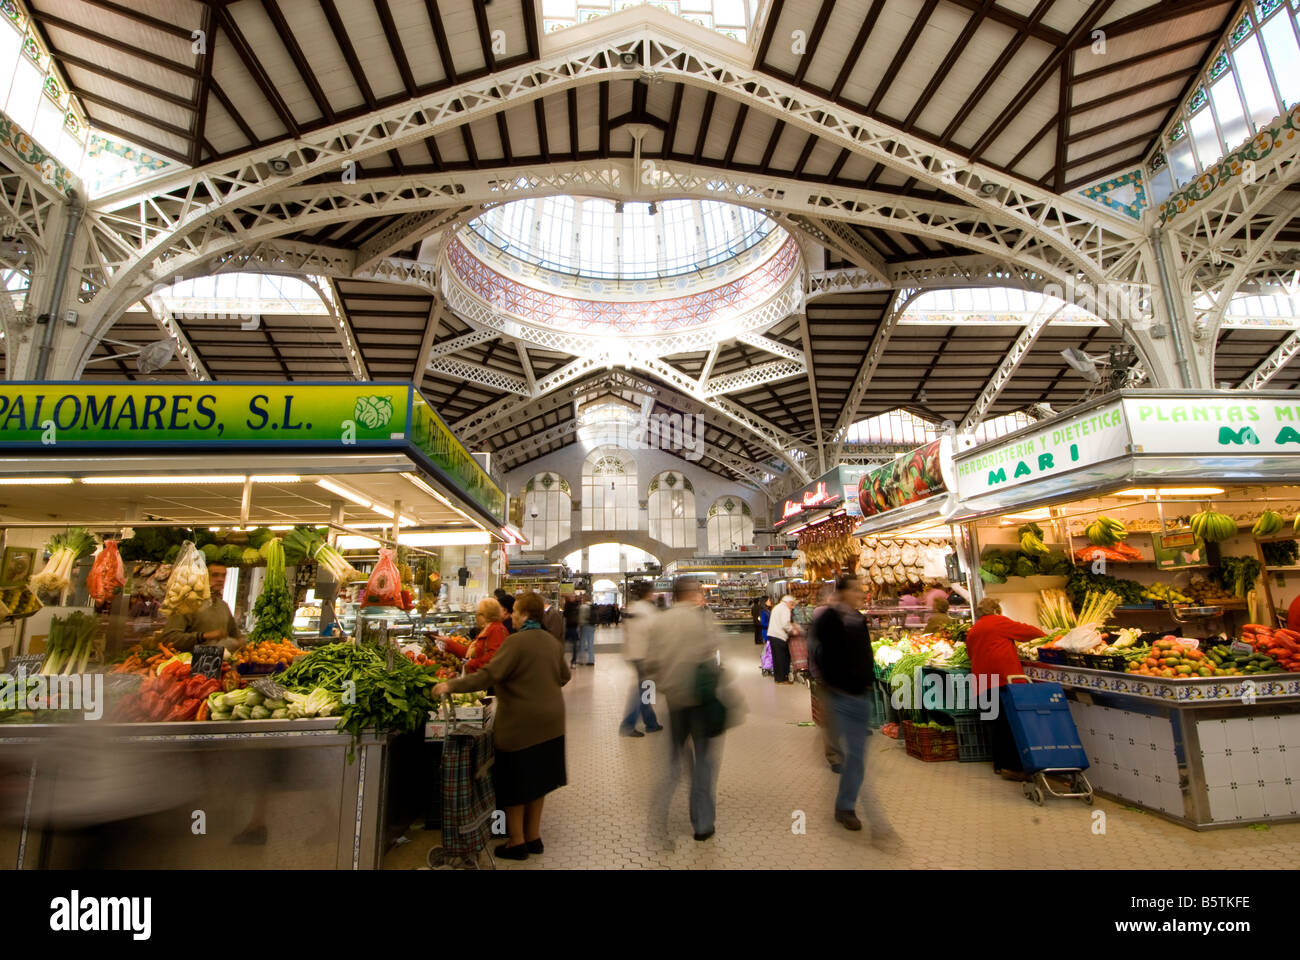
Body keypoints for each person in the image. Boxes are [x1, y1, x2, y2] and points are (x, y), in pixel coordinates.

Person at [433, 592, 569, 861]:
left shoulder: (515, 643)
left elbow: (489, 674)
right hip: (552, 723)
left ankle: (516, 843)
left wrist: (450, 685)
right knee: (538, 782)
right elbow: (564, 676)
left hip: (520, 725)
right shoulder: (551, 642)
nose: (511, 616)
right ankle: (534, 837)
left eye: (515, 612)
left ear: (525, 614)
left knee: (514, 782)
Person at [644, 578, 744, 846]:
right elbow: (716, 656)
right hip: (701, 703)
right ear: (691, 594)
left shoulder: (659, 622)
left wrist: (662, 689)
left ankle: (658, 824)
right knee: (704, 764)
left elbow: (650, 665)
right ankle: (702, 824)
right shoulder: (701, 620)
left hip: (675, 703)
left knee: (673, 764)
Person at [812, 575, 897, 842]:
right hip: (838, 695)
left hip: (861, 695)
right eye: (856, 589)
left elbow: (866, 653)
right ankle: (848, 806)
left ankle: (846, 806)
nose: (861, 593)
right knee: (850, 754)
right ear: (844, 592)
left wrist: (868, 682)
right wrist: (829, 685)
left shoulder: (858, 619)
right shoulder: (827, 620)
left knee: (857, 756)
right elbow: (817, 653)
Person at [965, 597, 1045, 781]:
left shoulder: (973, 630)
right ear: (996, 610)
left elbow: (971, 653)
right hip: (1002, 681)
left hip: (983, 683)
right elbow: (1030, 632)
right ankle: (1014, 768)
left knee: (995, 725)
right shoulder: (999, 622)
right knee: (1009, 725)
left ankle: (1000, 765)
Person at [160, 563, 244, 653]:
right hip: (188, 664)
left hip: (222, 664)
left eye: (223, 576)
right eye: (215, 575)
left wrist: (242, 642)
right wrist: (203, 636)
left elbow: (237, 635)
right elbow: (169, 638)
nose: (220, 579)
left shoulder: (223, 606)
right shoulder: (187, 603)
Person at [619, 582, 663, 737]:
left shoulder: (631, 607)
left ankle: (651, 722)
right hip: (645, 655)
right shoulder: (649, 610)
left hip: (633, 653)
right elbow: (656, 634)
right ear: (649, 593)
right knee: (642, 690)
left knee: (646, 687)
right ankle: (628, 725)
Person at [439, 597, 507, 674]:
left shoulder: (496, 630)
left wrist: (470, 664)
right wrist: (449, 642)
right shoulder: (489, 629)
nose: (476, 617)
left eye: (478, 614)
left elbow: (493, 658)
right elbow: (469, 654)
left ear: (485, 615)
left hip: (487, 681)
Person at [767, 594, 797, 684]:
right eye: (792, 604)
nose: (792, 607)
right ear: (788, 603)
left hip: (773, 635)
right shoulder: (785, 609)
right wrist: (793, 630)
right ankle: (782, 679)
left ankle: (778, 678)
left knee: (777, 658)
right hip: (779, 636)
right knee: (782, 658)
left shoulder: (777, 607)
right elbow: (785, 624)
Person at [563, 596, 581, 666]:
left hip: (569, 627)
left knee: (563, 644)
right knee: (574, 645)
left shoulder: (567, 606)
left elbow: (565, 615)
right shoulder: (577, 606)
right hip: (574, 627)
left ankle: (562, 660)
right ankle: (574, 661)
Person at [579, 595, 595, 666]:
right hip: (592, 626)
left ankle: (582, 660)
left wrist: (580, 625)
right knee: (590, 643)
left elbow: (581, 617)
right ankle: (591, 660)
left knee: (582, 643)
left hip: (585, 626)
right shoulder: (593, 606)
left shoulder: (583, 606)